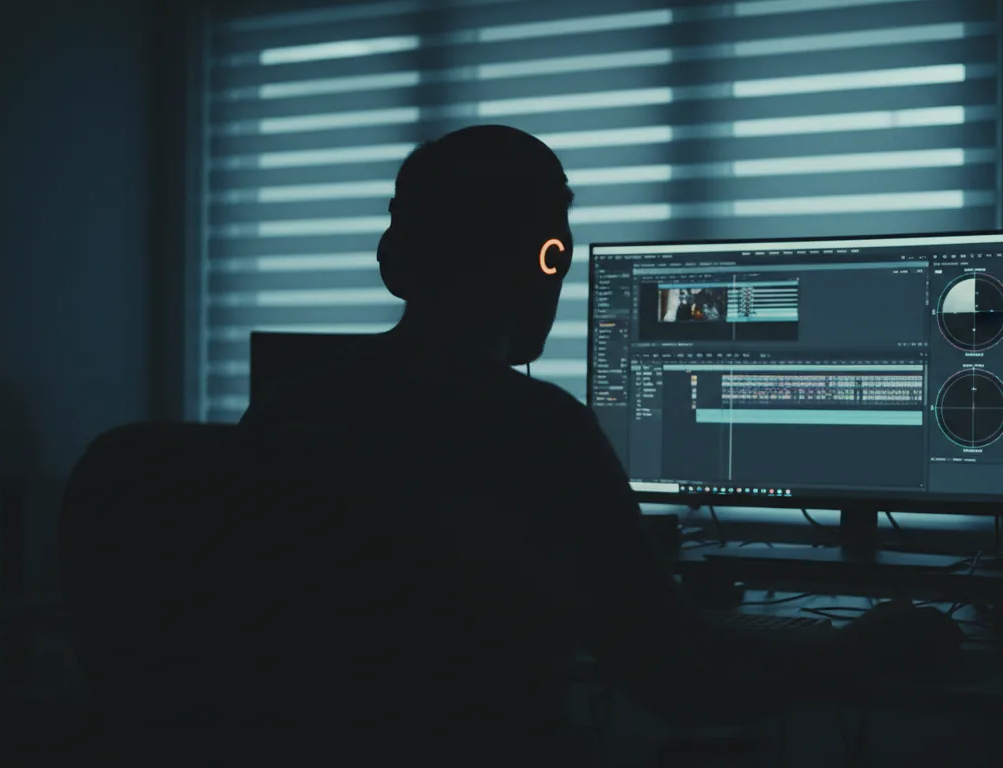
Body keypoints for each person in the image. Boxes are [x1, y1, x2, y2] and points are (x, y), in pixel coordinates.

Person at [241, 125, 950, 762]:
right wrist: (858, 650)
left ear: (398, 259)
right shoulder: (537, 430)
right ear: (544, 259)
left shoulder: (290, 403)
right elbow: (679, 680)